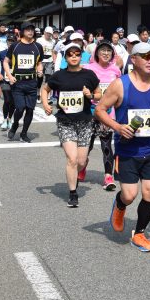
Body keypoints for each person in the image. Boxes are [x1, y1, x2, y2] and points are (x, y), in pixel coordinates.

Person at [95, 41, 150, 253]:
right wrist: (118, 127)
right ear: (133, 59)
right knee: (129, 195)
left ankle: (139, 233)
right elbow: (100, 110)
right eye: (145, 56)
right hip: (127, 151)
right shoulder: (120, 84)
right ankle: (120, 205)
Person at [42, 43, 100, 207]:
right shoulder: (59, 75)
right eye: (70, 54)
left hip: (85, 122)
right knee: (72, 159)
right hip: (65, 121)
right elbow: (45, 89)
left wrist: (91, 95)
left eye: (76, 54)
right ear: (66, 57)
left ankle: (79, 170)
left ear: (81, 56)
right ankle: (73, 193)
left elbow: (99, 93)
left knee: (81, 162)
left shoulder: (89, 74)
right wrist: (45, 104)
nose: (73, 57)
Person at [82, 41, 121, 189]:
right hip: (89, 112)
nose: (105, 53)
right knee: (88, 145)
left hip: (107, 113)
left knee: (106, 145)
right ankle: (83, 165)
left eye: (108, 51)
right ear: (96, 53)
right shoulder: (87, 68)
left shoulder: (116, 70)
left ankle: (108, 177)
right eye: (102, 50)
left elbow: (120, 91)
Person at [4, 22, 44, 143]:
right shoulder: (15, 46)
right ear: (22, 32)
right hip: (18, 83)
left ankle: (24, 133)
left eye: (32, 30)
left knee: (30, 109)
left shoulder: (38, 46)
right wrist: (10, 76)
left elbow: (39, 62)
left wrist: (40, 70)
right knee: (20, 108)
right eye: (27, 30)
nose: (30, 32)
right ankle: (15, 124)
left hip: (32, 82)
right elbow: (6, 62)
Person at [0, 35, 17, 131]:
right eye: (9, 41)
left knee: (13, 102)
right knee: (7, 100)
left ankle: (9, 119)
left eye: (12, 41)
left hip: (16, 80)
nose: (10, 43)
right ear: (6, 42)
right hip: (5, 80)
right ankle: (4, 120)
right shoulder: (2, 53)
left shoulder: (19, 53)